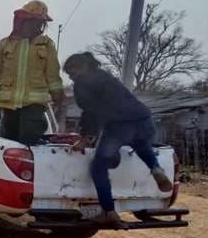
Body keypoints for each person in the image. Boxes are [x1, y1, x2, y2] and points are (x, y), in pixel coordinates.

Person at [63, 52, 173, 227]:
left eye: (71, 73)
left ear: (80, 68)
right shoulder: (106, 77)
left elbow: (90, 112)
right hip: (144, 120)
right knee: (141, 144)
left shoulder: (82, 84)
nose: (71, 77)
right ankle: (155, 168)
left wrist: (85, 138)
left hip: (120, 126)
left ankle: (109, 212)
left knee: (98, 167)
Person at [0, 0, 65, 146]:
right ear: (22, 21)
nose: (36, 25)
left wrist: (57, 93)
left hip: (34, 103)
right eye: (32, 21)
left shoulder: (47, 45)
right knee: (9, 142)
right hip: (9, 103)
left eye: (39, 22)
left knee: (29, 138)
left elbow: (52, 74)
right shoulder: (4, 44)